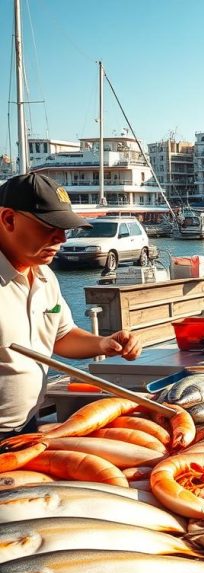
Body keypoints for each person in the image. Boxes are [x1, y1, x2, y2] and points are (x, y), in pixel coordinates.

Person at [0, 174, 141, 437]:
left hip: (26, 425)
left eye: (65, 228)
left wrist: (103, 344)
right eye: (49, 226)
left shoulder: (44, 276)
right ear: (8, 219)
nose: (62, 238)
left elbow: (60, 336)